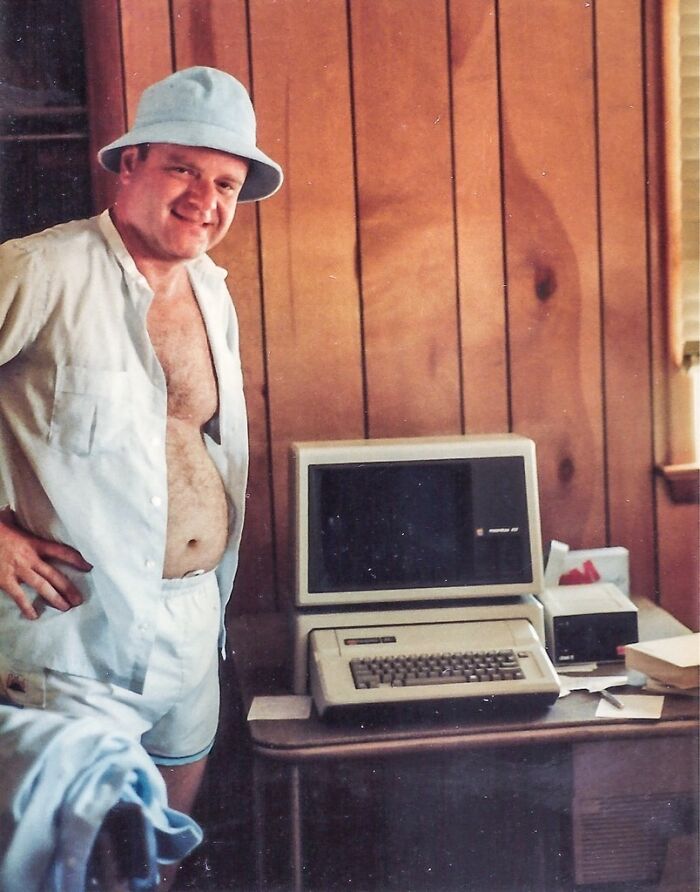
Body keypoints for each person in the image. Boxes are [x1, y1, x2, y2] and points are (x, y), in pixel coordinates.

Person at [0, 66, 282, 884]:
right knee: (72, 866)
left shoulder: (211, 290)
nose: (206, 198)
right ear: (126, 166)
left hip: (195, 625)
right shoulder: (41, 270)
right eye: (183, 169)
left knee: (152, 864)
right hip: (75, 634)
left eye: (226, 181)